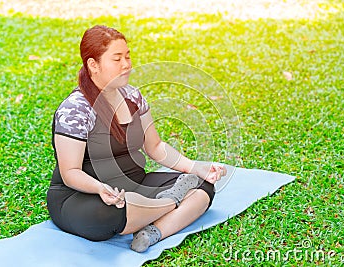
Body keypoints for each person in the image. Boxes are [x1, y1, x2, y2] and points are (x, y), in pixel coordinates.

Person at [46, 25, 226, 253]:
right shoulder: (75, 110)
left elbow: (156, 147)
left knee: (203, 186)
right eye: (117, 59)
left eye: (128, 56)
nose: (127, 65)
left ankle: (152, 232)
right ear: (93, 65)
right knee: (109, 215)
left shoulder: (133, 97)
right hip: (83, 195)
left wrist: (197, 167)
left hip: (135, 185)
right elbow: (70, 172)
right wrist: (100, 188)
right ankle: (171, 203)